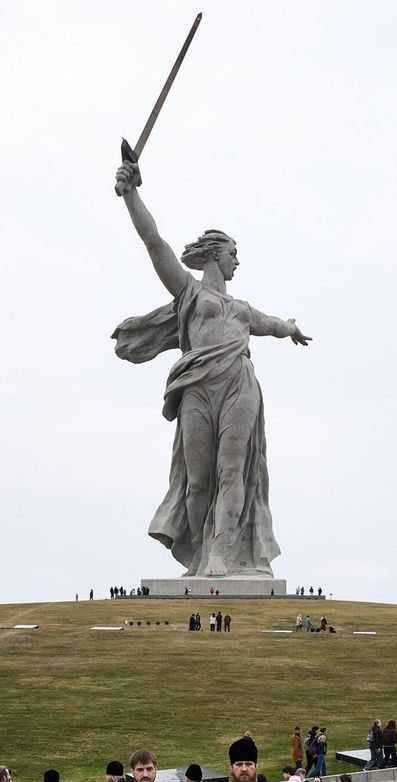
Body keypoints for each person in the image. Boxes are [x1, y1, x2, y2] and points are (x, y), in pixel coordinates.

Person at [113, 160, 311, 579]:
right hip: (197, 387)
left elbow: (272, 325)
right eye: (233, 254)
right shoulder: (189, 292)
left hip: (239, 383)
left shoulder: (242, 310)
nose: (238, 261)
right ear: (216, 255)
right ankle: (201, 553)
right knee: (198, 479)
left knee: (232, 469)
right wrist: (131, 195)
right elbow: (155, 244)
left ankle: (221, 553)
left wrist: (291, 327)